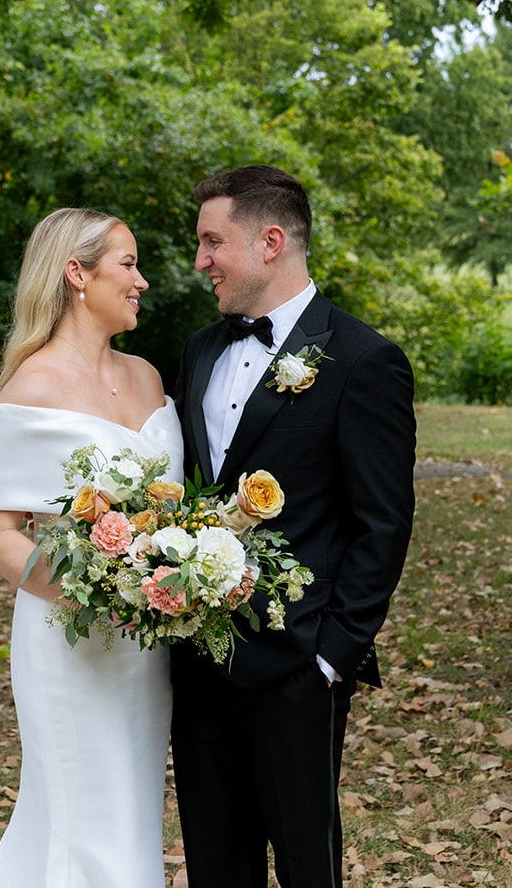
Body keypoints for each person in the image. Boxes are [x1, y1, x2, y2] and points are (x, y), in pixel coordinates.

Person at [171, 165, 416, 888]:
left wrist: (331, 657)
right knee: (217, 865)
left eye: (212, 241)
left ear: (270, 240)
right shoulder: (199, 351)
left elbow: (383, 521)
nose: (200, 260)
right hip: (197, 660)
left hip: (298, 670)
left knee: (309, 869)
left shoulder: (363, 361)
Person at [0, 207, 181, 887]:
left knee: (132, 809)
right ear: (76, 273)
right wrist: (97, 591)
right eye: (127, 263)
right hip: (68, 640)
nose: (141, 279)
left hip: (147, 647)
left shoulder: (148, 377)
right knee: (80, 821)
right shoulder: (32, 387)